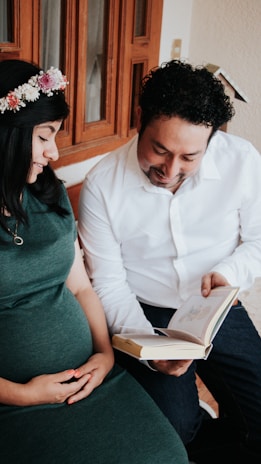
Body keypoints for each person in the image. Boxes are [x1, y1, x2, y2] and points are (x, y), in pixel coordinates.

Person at [0, 59, 189, 464]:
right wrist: (22, 393)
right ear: (8, 136)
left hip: (96, 379)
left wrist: (103, 356)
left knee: (168, 454)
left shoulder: (48, 197)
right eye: (44, 136)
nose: (53, 152)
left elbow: (80, 286)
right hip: (17, 402)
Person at [78, 60, 261, 463]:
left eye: (189, 157)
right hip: (145, 311)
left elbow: (258, 241)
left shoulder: (242, 161)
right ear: (140, 118)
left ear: (211, 139)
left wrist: (229, 273)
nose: (170, 170)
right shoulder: (102, 186)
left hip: (216, 306)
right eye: (159, 150)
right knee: (175, 430)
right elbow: (108, 283)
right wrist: (147, 345)